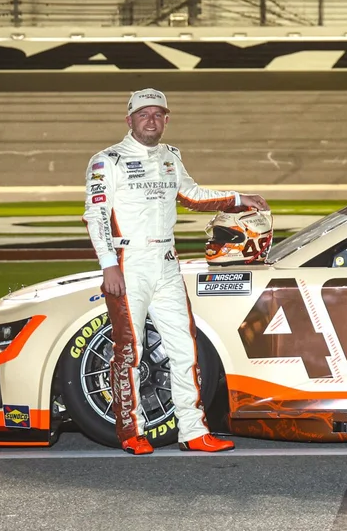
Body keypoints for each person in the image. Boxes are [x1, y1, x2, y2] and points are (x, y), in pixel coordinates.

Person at [83, 89, 270, 455]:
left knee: (185, 349)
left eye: (158, 114)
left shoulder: (171, 156)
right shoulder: (107, 161)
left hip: (167, 263)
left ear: (166, 119)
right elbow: (96, 215)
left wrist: (237, 198)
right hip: (127, 263)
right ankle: (131, 431)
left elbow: (192, 195)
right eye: (143, 114)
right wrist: (108, 266)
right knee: (129, 352)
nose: (151, 120)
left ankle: (193, 430)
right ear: (129, 120)